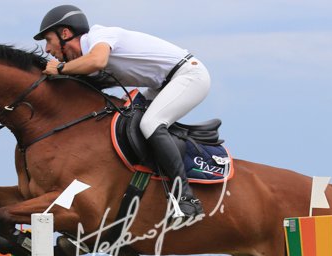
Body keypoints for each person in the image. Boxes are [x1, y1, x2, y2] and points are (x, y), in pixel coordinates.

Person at [34, 5, 210, 217]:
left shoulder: (98, 37)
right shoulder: (87, 60)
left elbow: (97, 60)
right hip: (161, 85)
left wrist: (60, 69)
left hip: (189, 75)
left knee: (150, 123)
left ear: (65, 33)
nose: (47, 49)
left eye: (48, 40)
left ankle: (186, 197)